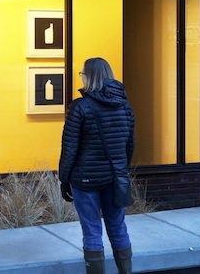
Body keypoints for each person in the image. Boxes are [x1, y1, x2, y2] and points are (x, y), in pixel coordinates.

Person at [58, 57, 135, 274]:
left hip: (85, 180)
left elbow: (69, 148)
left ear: (90, 76)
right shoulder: (125, 107)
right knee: (118, 227)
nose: (81, 78)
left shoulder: (80, 107)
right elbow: (129, 146)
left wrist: (64, 179)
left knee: (92, 231)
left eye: (82, 74)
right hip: (115, 179)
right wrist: (120, 171)